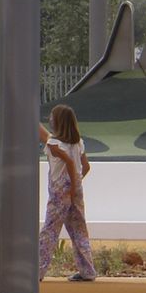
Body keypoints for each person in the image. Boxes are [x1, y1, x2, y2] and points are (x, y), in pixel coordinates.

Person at [38, 102, 96, 282]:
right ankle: (87, 271)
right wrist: (76, 184)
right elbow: (85, 167)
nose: (50, 119)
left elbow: (70, 163)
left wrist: (68, 187)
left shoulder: (54, 144)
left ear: (58, 121)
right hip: (76, 189)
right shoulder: (78, 143)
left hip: (60, 190)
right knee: (79, 229)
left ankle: (37, 270)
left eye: (52, 117)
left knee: (50, 230)